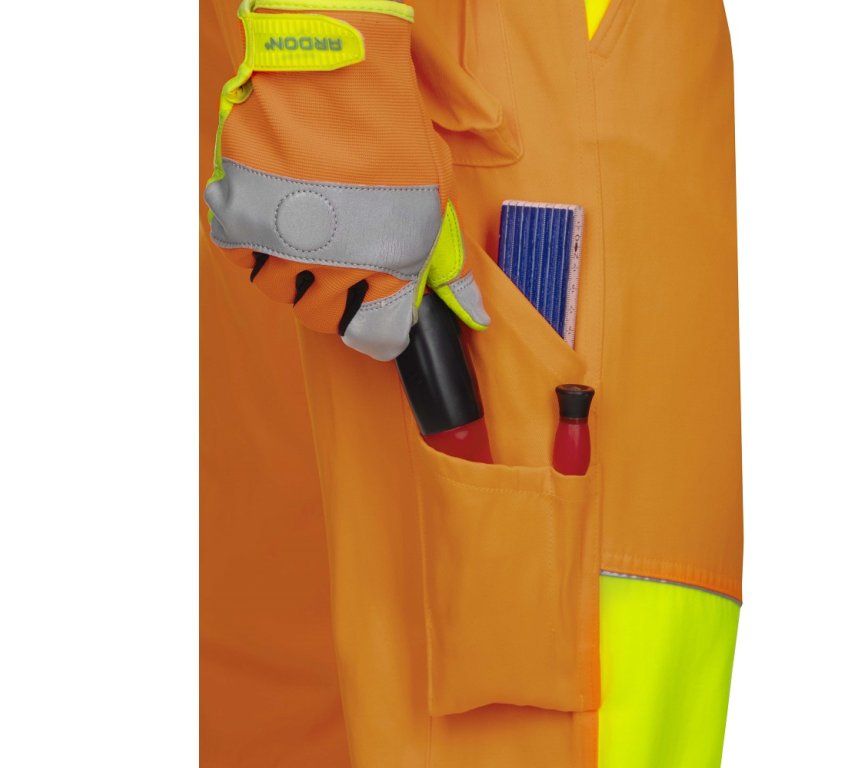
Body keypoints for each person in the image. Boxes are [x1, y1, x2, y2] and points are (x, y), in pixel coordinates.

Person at [200, 1, 743, 765]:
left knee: (298, 666)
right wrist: (326, 52)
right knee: (501, 694)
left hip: (320, 84)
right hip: (477, 76)